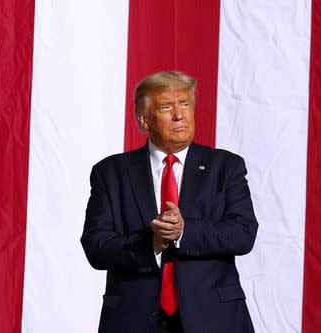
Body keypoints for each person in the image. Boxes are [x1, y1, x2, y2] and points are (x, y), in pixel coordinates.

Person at [81, 70, 258, 332]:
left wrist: (184, 231)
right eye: (166, 106)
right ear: (144, 120)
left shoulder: (226, 167)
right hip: (133, 319)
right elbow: (96, 246)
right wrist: (150, 243)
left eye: (185, 104)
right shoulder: (110, 173)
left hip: (214, 318)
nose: (179, 115)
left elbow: (243, 234)